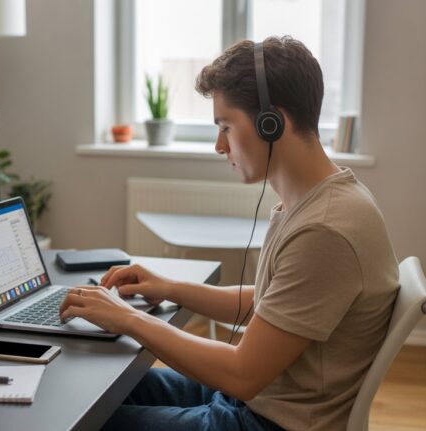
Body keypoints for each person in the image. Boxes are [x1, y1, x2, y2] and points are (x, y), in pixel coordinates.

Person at [59, 36, 399, 431]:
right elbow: (271, 304)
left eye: (225, 126)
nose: (219, 145)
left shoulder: (324, 229)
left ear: (273, 124)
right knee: (99, 389)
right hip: (261, 401)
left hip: (269, 421)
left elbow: (242, 374)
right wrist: (170, 287)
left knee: (84, 421)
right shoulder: (316, 201)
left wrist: (127, 319)